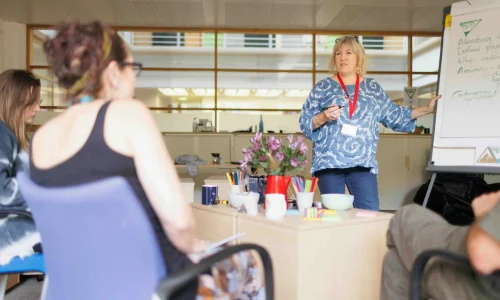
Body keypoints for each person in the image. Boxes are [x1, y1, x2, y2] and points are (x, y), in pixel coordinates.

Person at [32, 21, 263, 299]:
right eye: (133, 68)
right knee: (248, 262)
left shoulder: (42, 138)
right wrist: (193, 244)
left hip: (76, 283)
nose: (135, 78)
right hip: (148, 281)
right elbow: (178, 223)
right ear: (114, 72)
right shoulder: (128, 114)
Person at [299, 35, 441, 211]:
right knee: (333, 216)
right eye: (338, 53)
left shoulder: (372, 88)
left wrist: (427, 109)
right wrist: (323, 117)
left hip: (362, 163)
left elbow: (395, 115)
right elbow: (305, 121)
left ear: (358, 57)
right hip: (329, 163)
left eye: (348, 53)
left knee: (369, 212)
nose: (342, 57)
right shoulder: (322, 88)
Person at [380, 194, 500, 299]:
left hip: (484, 284)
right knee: (394, 263)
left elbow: (483, 254)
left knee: (405, 216)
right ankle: (402, 251)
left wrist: (485, 212)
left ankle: (401, 247)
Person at [0, 69, 42, 264]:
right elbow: (1, 190)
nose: (37, 108)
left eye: (38, 102)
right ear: (13, 102)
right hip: (9, 232)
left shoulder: (17, 137)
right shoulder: (2, 134)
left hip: (21, 222)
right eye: (31, 103)